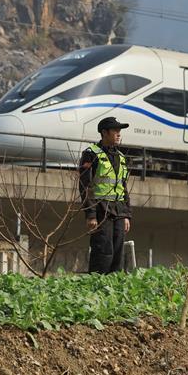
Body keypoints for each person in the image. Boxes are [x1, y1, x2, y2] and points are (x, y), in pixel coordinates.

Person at [78, 116, 132, 274]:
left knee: (117, 255)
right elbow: (85, 186)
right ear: (104, 132)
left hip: (119, 212)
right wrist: (90, 214)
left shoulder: (121, 157)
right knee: (103, 253)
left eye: (119, 131)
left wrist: (127, 214)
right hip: (101, 211)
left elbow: (123, 187)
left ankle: (113, 291)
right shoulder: (91, 154)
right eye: (115, 130)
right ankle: (97, 289)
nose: (118, 134)